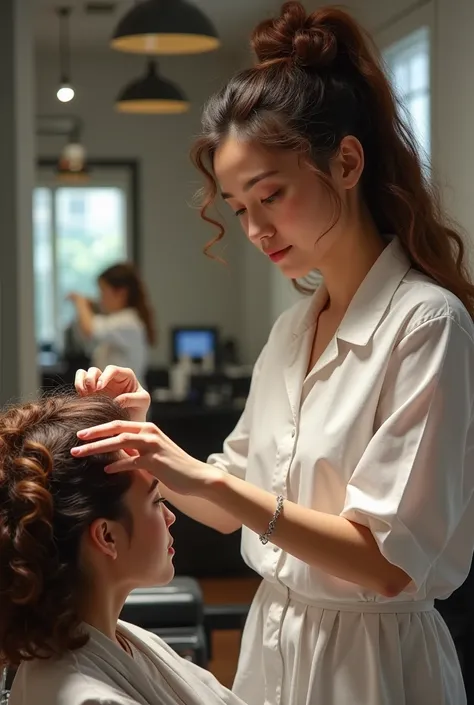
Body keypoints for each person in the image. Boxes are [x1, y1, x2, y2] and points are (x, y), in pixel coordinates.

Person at [71, 3, 474, 704]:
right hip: (274, 641)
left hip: (373, 665)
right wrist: (147, 440)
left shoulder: (427, 324)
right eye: (237, 207)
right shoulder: (292, 332)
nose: (254, 229)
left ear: (346, 162)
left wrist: (219, 485)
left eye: (270, 195)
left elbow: (384, 562)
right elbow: (230, 497)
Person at [0, 394, 247, 705]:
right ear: (107, 536)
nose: (171, 517)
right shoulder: (91, 698)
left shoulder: (123, 639)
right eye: (157, 501)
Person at [68, 262, 156, 386]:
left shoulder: (127, 322)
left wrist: (80, 302)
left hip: (126, 399)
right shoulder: (117, 320)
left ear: (121, 293)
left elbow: (90, 329)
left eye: (103, 291)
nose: (101, 297)